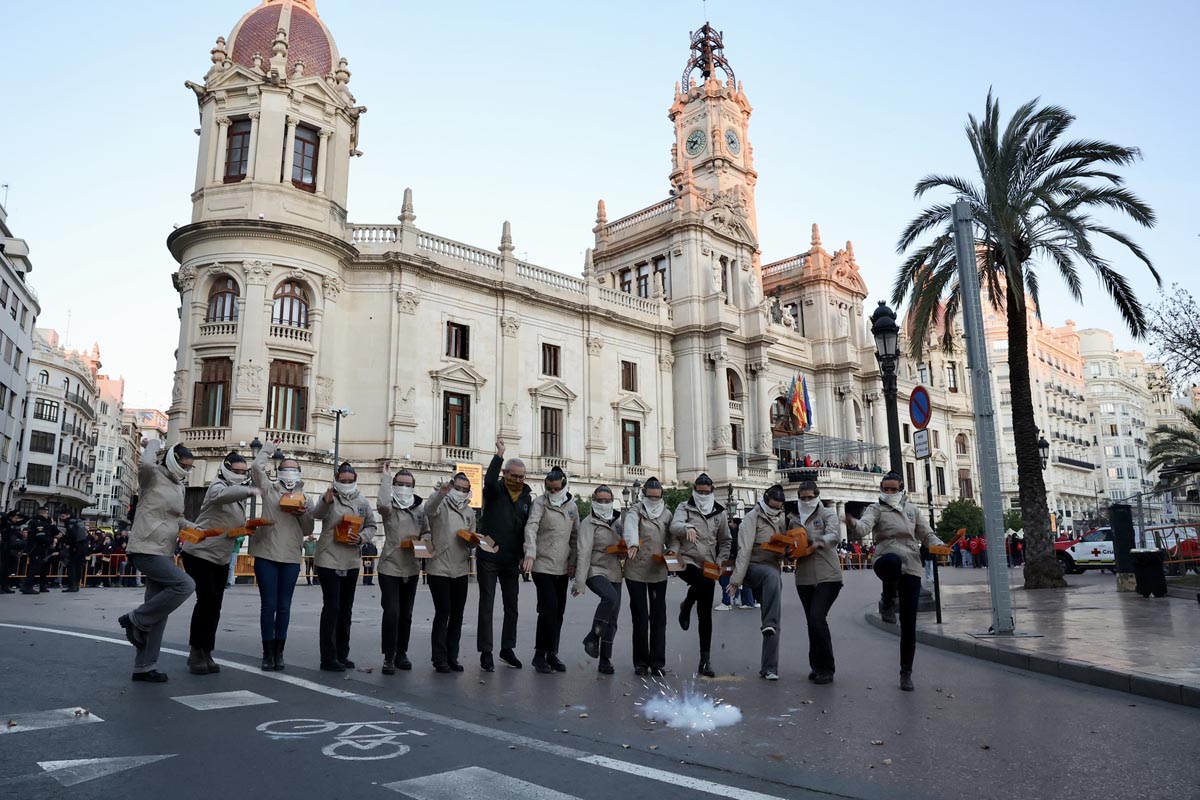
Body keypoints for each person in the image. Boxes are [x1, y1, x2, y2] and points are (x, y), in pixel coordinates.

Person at [845, 472, 942, 692]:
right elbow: (863, 528)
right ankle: (888, 599)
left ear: (901, 490)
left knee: (909, 624)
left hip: (912, 566)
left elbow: (927, 534)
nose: (889, 493)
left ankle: (906, 672)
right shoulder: (875, 509)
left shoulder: (912, 510)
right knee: (893, 561)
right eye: (885, 489)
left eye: (893, 489)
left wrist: (941, 544)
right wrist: (852, 522)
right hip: (885, 560)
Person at [119, 440, 198, 683]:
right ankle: (135, 618)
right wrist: (154, 443)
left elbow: (178, 519)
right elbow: (144, 462)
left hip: (164, 549)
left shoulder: (179, 487)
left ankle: (143, 666)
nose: (186, 470)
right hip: (145, 546)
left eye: (190, 467)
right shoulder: (152, 475)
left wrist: (201, 530)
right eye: (184, 465)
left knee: (159, 611)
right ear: (173, 460)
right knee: (185, 585)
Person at [180, 451, 258, 675]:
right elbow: (220, 497)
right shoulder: (217, 486)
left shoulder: (238, 496)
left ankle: (206, 651)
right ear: (225, 468)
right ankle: (196, 652)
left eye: (244, 473)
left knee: (215, 605)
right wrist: (249, 489)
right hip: (200, 552)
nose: (240, 476)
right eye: (236, 471)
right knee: (206, 601)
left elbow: (229, 529)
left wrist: (246, 529)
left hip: (221, 556)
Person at [250, 445, 314, 671]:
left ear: (299, 474)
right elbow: (257, 468)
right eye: (285, 469)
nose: (289, 473)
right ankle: (267, 653)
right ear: (278, 472)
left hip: (290, 556)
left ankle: (279, 652)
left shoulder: (305, 497)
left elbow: (308, 529)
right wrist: (267, 449)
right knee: (268, 605)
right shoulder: (269, 489)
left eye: (293, 469)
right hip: (266, 553)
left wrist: (303, 512)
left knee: (284, 606)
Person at [313, 462, 378, 672]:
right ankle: (328, 657)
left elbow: (372, 525)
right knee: (332, 607)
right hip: (328, 558)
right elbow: (317, 513)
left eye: (350, 481)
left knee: (346, 609)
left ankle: (343, 653)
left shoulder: (362, 501)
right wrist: (325, 500)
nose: (347, 484)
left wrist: (361, 538)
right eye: (343, 481)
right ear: (337, 480)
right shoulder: (330, 497)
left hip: (351, 559)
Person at [477, 437, 532, 672]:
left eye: (521, 476)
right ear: (505, 474)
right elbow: (488, 480)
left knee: (512, 606)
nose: (517, 480)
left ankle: (507, 649)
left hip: (511, 559)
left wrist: (523, 555)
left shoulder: (527, 497)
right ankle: (486, 652)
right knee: (487, 605)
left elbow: (525, 528)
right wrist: (499, 455)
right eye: (513, 475)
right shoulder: (494, 490)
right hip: (488, 555)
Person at [668, 473, 730, 677]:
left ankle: (705, 660)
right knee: (700, 582)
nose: (702, 495)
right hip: (687, 560)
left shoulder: (719, 513)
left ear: (712, 491)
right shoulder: (684, 508)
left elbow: (726, 541)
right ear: (694, 491)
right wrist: (687, 526)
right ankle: (686, 605)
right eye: (699, 492)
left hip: (710, 563)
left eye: (706, 492)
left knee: (705, 614)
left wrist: (721, 562)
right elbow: (673, 526)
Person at [727, 484, 789, 681]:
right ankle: (768, 623)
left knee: (774, 609)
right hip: (752, 568)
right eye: (772, 506)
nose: (775, 510)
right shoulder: (751, 518)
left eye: (778, 507)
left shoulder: (781, 518)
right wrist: (736, 581)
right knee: (772, 578)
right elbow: (743, 551)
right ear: (765, 500)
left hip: (772, 567)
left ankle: (770, 668)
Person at [521, 466, 580, 674]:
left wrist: (573, 561)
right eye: (549, 489)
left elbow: (575, 536)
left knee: (559, 611)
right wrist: (530, 552)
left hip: (562, 566)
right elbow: (531, 526)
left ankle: (552, 652)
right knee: (549, 608)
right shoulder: (540, 503)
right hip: (542, 564)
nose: (553, 492)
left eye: (556, 489)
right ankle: (539, 655)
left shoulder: (572, 506)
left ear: (564, 486)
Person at [376, 464, 431, 675]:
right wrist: (386, 480)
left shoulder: (419, 509)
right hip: (390, 565)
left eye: (408, 485)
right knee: (392, 612)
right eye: (400, 484)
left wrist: (423, 541)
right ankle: (388, 656)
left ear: (414, 487)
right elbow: (381, 505)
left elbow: (426, 531)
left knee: (406, 614)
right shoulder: (390, 508)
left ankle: (401, 653)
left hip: (411, 567)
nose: (404, 488)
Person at [788, 481, 842, 684]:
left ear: (817, 496)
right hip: (803, 577)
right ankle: (816, 665)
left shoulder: (827, 514)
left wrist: (817, 543)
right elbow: (789, 543)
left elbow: (835, 535)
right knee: (812, 621)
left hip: (828, 575)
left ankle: (827, 667)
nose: (807, 500)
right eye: (803, 497)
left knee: (817, 617)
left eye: (810, 497)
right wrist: (787, 551)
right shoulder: (793, 519)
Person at [424, 471, 475, 673]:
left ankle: (452, 656)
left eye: (465, 489)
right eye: (458, 488)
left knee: (457, 614)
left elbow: (471, 542)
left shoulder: (470, 513)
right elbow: (428, 510)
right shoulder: (440, 505)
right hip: (439, 567)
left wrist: (473, 541)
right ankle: (439, 657)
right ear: (452, 486)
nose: (460, 492)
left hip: (460, 568)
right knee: (443, 611)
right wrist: (440, 494)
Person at [622, 477, 673, 677]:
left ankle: (658, 663)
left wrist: (672, 551)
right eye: (650, 497)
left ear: (661, 496)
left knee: (659, 619)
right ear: (644, 496)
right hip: (635, 570)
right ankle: (641, 663)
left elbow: (672, 539)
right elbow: (630, 526)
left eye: (656, 497)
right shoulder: (636, 510)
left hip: (658, 571)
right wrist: (632, 543)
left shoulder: (667, 514)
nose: (653, 500)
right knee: (640, 617)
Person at [573, 486, 623, 675]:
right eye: (600, 501)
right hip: (595, 569)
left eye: (607, 501)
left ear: (612, 501)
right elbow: (583, 552)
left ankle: (605, 659)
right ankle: (592, 636)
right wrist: (580, 581)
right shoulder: (588, 523)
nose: (603, 504)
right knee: (610, 598)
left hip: (615, 570)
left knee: (613, 618)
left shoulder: (618, 520)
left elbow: (624, 543)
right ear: (594, 500)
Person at [717, 517, 756, 610]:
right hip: (736, 557)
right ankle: (748, 601)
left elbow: (732, 543)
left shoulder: (728, 530)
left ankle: (727, 602)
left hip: (728, 558)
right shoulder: (741, 529)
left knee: (725, 579)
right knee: (741, 578)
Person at [20, 507, 58, 594]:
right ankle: (27, 586)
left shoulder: (46, 523)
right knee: (34, 568)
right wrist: (52, 540)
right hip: (36, 548)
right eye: (46, 513)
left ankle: (42, 585)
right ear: (43, 513)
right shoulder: (37, 522)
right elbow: (40, 536)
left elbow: (55, 532)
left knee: (44, 568)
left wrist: (52, 524)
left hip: (44, 548)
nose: (47, 515)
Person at [62, 512, 90, 592]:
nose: (61, 518)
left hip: (77, 545)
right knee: (79, 566)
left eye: (63, 516)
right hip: (83, 545)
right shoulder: (78, 520)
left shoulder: (70, 522)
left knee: (72, 566)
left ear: (68, 515)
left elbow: (72, 534)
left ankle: (72, 585)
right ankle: (76, 584)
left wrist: (68, 543)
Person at [1, 510, 25, 593]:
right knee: (2, 568)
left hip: (10, 549)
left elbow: (26, 518)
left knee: (7, 569)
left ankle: (5, 586)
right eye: (15, 518)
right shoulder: (5, 524)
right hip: (3, 548)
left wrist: (18, 513)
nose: (17, 519)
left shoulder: (14, 525)